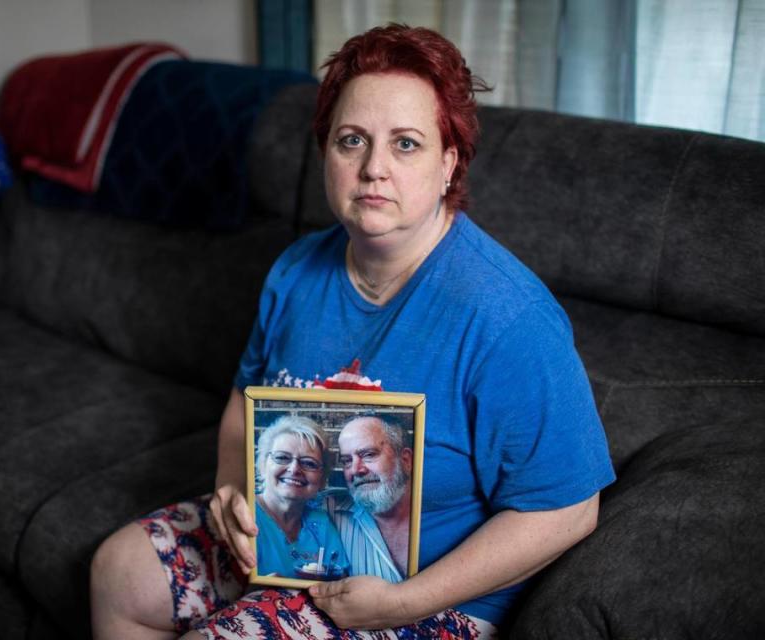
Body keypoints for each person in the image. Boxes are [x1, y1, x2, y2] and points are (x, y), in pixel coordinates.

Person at [90, 23, 615, 640]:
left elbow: (569, 510)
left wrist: (404, 602)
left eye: (407, 144)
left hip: (430, 591)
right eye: (352, 140)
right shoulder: (294, 270)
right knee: (116, 572)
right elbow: (244, 398)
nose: (374, 169)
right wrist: (233, 490)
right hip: (292, 543)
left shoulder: (507, 316)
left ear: (449, 163)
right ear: (325, 155)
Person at [252, 415, 348, 579]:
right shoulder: (246, 514)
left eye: (309, 463)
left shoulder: (320, 524)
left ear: (322, 479)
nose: (295, 469)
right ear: (262, 466)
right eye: (282, 457)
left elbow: (340, 578)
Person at [322, 415, 413, 582]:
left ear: (406, 460)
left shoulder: (441, 516)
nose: (356, 469)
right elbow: (279, 506)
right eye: (347, 461)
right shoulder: (328, 509)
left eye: (369, 454)